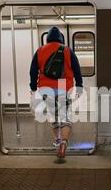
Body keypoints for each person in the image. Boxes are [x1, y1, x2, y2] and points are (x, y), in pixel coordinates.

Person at [29, 26, 83, 159]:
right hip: (64, 86)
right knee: (65, 117)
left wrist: (34, 87)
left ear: (47, 39)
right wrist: (80, 86)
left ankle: (57, 141)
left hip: (46, 88)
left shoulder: (40, 51)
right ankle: (64, 143)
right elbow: (77, 69)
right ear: (60, 38)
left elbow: (33, 71)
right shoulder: (67, 50)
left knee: (53, 115)